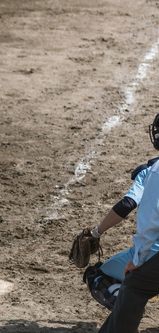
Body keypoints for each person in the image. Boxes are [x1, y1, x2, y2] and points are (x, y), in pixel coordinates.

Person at [87, 113, 159, 333]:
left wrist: (96, 232)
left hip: (154, 255)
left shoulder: (150, 172)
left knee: (104, 277)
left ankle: (125, 316)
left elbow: (130, 206)